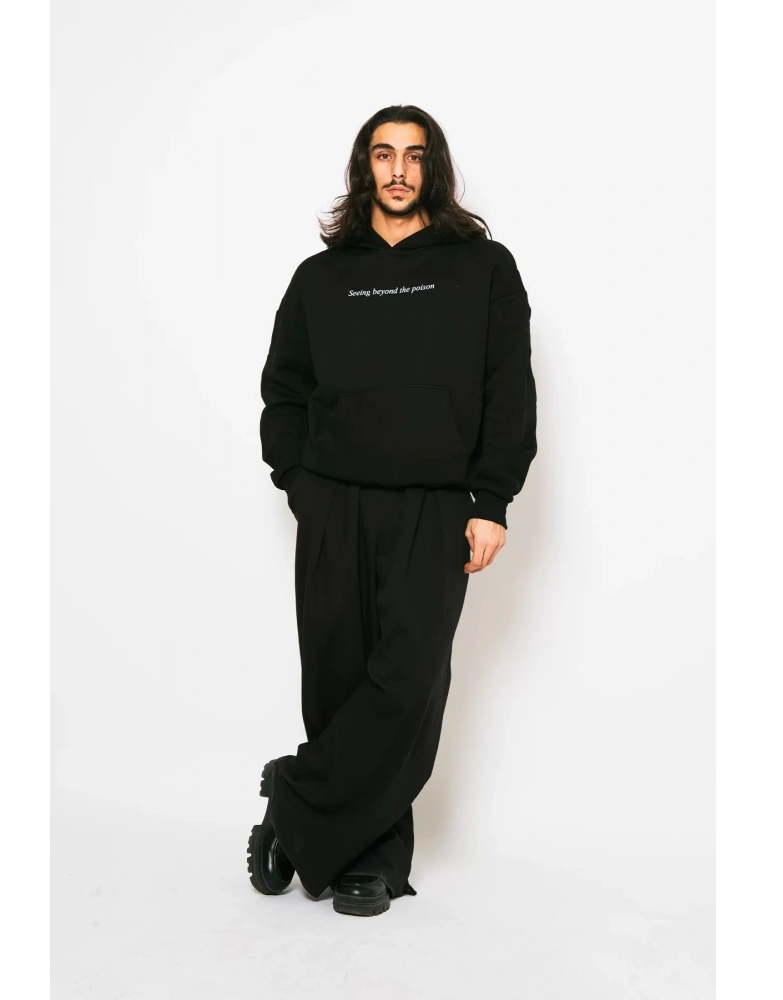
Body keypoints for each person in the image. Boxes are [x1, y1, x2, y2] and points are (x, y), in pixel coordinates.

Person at [249, 104, 537, 917]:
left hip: (435, 505)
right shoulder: (320, 278)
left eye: (414, 154)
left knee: (409, 682)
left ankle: (297, 801)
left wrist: (491, 499)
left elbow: (508, 390)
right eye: (383, 154)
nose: (399, 169)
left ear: (433, 167)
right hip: (334, 502)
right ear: (363, 168)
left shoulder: (483, 268)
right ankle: (365, 859)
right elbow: (285, 390)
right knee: (338, 679)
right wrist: (300, 483)